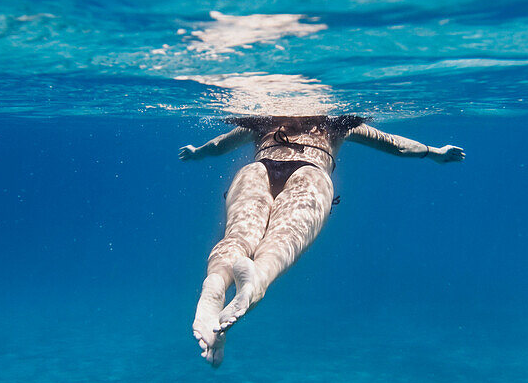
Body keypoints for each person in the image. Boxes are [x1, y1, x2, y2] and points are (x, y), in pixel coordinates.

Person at [179, 115, 465, 367]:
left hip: (257, 169)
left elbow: (218, 146)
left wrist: (196, 152)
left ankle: (214, 285)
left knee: (238, 236)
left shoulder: (262, 118)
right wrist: (433, 152)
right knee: (281, 243)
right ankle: (254, 285)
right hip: (311, 171)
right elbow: (394, 144)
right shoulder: (335, 122)